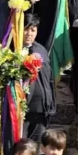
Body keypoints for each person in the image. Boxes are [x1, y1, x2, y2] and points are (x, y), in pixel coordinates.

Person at [21, 15, 55, 144]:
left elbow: (48, 79)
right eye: (26, 29)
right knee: (21, 145)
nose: (29, 34)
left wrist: (50, 104)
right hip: (23, 109)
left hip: (41, 108)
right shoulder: (12, 49)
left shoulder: (41, 49)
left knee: (36, 146)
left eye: (33, 30)